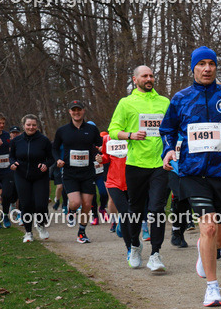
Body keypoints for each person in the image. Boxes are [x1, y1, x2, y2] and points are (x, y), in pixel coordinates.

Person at [160, 46, 221, 307]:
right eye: (202, 64)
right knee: (208, 227)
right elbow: (167, 129)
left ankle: (205, 249)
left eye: (211, 64)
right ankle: (212, 287)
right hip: (193, 173)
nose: (207, 68)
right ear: (193, 67)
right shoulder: (180, 98)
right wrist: (168, 151)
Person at [109, 65, 171, 272]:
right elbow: (113, 129)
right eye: (144, 75)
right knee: (135, 209)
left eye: (151, 75)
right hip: (135, 164)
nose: (149, 78)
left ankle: (155, 254)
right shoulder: (126, 103)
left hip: (160, 165)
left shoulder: (164, 102)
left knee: (157, 209)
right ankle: (135, 246)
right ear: (135, 80)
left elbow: (172, 128)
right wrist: (130, 135)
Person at [53, 100, 103, 243]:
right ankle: (71, 210)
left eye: (79, 110)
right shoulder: (62, 130)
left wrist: (99, 155)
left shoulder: (92, 129)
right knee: (75, 202)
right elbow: (54, 148)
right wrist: (58, 160)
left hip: (88, 172)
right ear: (69, 112)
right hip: (70, 172)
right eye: (73, 110)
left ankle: (82, 232)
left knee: (87, 205)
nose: (76, 112)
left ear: (83, 111)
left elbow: (99, 146)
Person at [9, 115, 52, 242]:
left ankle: (41, 225)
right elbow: (11, 157)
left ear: (37, 126)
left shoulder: (44, 140)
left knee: (41, 204)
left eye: (33, 125)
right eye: (28, 125)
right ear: (23, 126)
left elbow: (51, 158)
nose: (31, 127)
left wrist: (46, 165)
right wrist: (13, 163)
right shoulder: (16, 141)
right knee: (26, 204)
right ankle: (28, 233)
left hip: (40, 176)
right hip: (22, 176)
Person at [100, 129, 134, 257]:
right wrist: (100, 158)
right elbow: (105, 156)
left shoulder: (134, 135)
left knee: (133, 214)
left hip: (132, 181)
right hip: (114, 181)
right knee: (125, 213)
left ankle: (127, 232)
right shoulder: (107, 138)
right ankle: (130, 248)